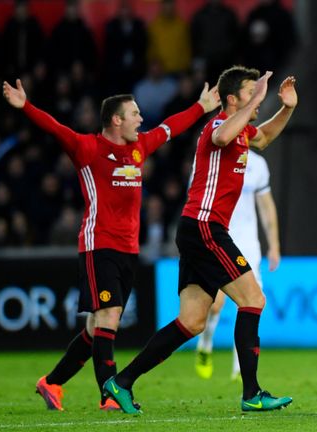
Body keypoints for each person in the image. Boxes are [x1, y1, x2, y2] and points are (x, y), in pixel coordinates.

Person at [2, 77, 219, 411]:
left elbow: (169, 128)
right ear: (116, 119)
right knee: (110, 316)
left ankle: (52, 382)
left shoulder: (138, 147)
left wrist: (201, 108)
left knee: (95, 328)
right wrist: (26, 106)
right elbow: (56, 128)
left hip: (129, 250)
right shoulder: (88, 149)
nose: (140, 119)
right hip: (98, 244)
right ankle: (110, 394)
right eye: (134, 113)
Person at [104, 66, 297, 414]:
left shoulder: (242, 133)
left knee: (192, 322)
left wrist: (287, 108)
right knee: (253, 299)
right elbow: (223, 137)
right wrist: (257, 99)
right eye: (251, 95)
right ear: (231, 99)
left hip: (197, 229)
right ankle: (251, 393)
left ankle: (121, 382)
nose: (257, 102)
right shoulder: (216, 127)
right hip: (205, 226)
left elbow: (264, 137)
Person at [195, 150, 281, 380]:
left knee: (250, 303)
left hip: (248, 244)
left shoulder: (258, 163)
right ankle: (205, 343)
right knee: (215, 305)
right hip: (217, 237)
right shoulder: (210, 156)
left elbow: (266, 206)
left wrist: (274, 245)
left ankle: (240, 367)